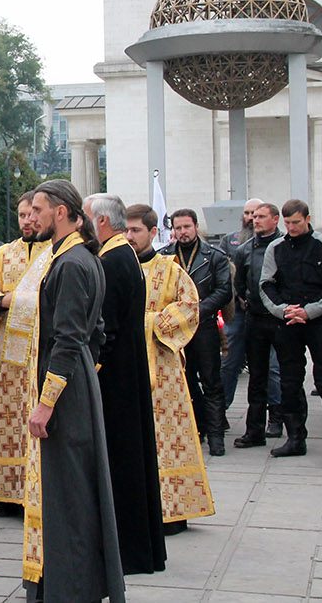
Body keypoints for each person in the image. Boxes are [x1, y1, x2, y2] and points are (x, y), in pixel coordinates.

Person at [22, 180, 124, 603]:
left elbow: (67, 338)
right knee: (74, 487)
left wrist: (46, 404)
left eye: (39, 209)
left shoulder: (70, 264)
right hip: (78, 381)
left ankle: (71, 588)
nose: (33, 217)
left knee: (68, 493)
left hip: (65, 390)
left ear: (61, 212)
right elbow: (94, 334)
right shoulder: (80, 257)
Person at [83, 192, 165, 575]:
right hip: (127, 372)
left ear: (101, 221)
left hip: (115, 378)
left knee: (121, 463)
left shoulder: (112, 261)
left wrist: (90, 370)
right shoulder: (123, 254)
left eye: (86, 217)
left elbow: (107, 329)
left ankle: (126, 551)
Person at [125, 205, 215, 532]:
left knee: (167, 438)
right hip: (126, 365)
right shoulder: (113, 266)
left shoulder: (170, 269)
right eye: (126, 230)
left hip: (163, 369)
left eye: (136, 230)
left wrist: (147, 323)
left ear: (153, 232)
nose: (129, 236)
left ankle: (172, 511)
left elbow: (190, 306)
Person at [0, 192, 49, 514]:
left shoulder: (56, 253)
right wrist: (10, 300)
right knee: (8, 420)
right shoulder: (3, 255)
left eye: (32, 214)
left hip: (43, 354)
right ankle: (7, 493)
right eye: (21, 215)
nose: (27, 221)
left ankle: (40, 491)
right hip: (9, 359)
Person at [259, 199, 322, 462]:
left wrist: (309, 311)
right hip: (288, 320)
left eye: (296, 222)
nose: (292, 227)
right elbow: (265, 285)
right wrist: (283, 310)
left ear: (308, 219)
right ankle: (295, 438)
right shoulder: (276, 247)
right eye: (287, 223)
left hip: (320, 321)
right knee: (289, 381)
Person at [160, 208, 231, 455]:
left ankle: (216, 436)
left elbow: (224, 290)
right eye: (178, 228)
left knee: (211, 381)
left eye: (186, 227)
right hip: (176, 329)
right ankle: (197, 429)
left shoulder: (214, 256)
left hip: (204, 325)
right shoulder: (165, 256)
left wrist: (196, 310)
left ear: (196, 227)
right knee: (185, 380)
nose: (183, 232)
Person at [232, 203, 286, 447]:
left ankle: (279, 419)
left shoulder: (285, 245)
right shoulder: (244, 250)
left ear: (275, 219)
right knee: (256, 375)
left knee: (279, 371)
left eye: (262, 216)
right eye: (254, 216)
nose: (256, 220)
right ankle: (254, 429)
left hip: (281, 318)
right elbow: (239, 283)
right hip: (254, 317)